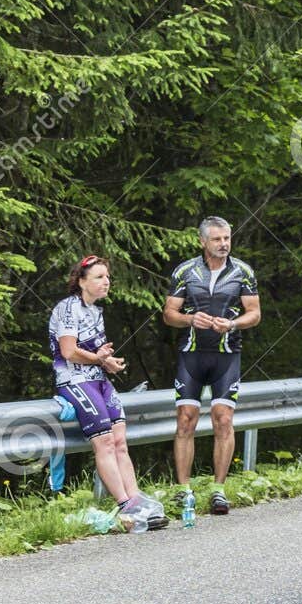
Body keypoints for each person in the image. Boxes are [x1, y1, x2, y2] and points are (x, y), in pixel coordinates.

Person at [50, 256, 166, 529]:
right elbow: (68, 352)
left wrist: (107, 362)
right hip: (75, 382)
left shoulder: (95, 312)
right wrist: (100, 359)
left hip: (99, 380)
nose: (106, 282)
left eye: (108, 277)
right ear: (81, 281)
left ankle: (136, 500)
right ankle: (126, 506)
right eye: (99, 277)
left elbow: (95, 354)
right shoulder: (68, 308)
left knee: (120, 442)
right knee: (103, 443)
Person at [162, 217, 261, 514]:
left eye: (227, 238)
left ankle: (219, 489)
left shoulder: (243, 271)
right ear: (203, 241)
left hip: (226, 355)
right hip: (191, 354)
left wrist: (232, 323)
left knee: (223, 420)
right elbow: (169, 313)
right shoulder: (184, 271)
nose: (224, 244)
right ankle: (183, 490)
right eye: (217, 239)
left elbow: (254, 314)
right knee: (186, 419)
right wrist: (191, 319)